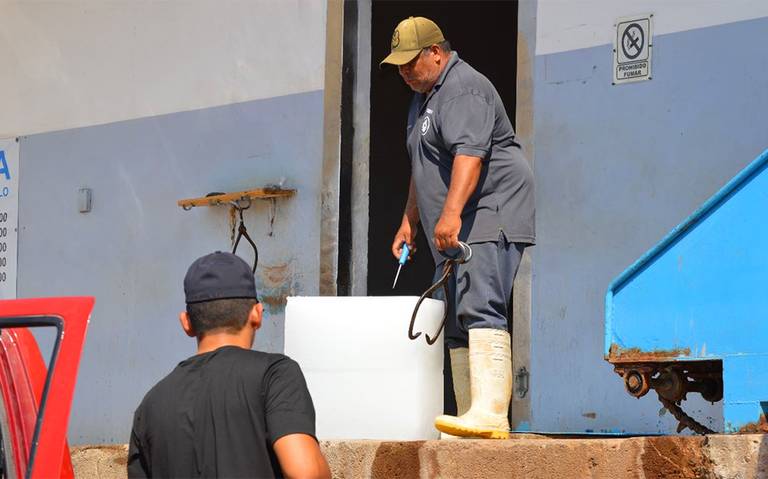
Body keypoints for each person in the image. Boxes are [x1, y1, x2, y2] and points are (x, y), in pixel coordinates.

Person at [381, 16, 535, 439]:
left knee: (480, 304)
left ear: (436, 52)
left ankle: (489, 414)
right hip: (455, 221)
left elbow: (470, 155)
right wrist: (409, 221)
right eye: (398, 65)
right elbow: (422, 165)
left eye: (411, 62)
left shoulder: (463, 88)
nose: (404, 72)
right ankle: (470, 415)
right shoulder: (424, 98)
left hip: (487, 211)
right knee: (452, 317)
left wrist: (449, 214)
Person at [127, 251, 331, 478]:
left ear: (186, 323)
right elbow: (305, 472)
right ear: (257, 314)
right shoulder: (275, 375)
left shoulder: (151, 405)